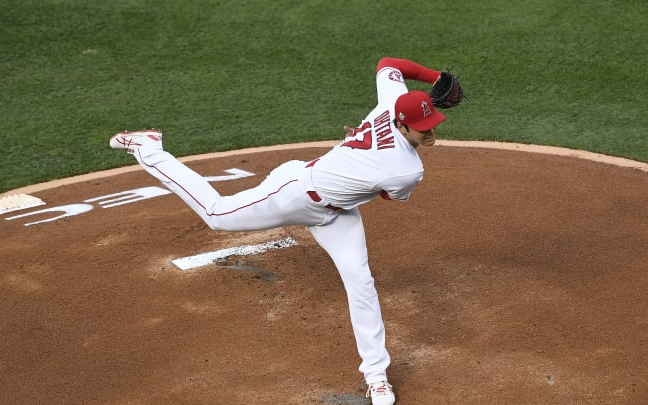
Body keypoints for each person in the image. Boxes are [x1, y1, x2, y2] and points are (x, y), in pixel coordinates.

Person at [110, 57, 459, 405]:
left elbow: (388, 64)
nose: (431, 131)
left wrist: (435, 77)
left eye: (432, 122)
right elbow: (387, 193)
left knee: (361, 283)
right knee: (217, 215)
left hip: (338, 215)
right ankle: (150, 148)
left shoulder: (391, 103)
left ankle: (377, 377)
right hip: (293, 193)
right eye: (422, 126)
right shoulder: (407, 170)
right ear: (401, 123)